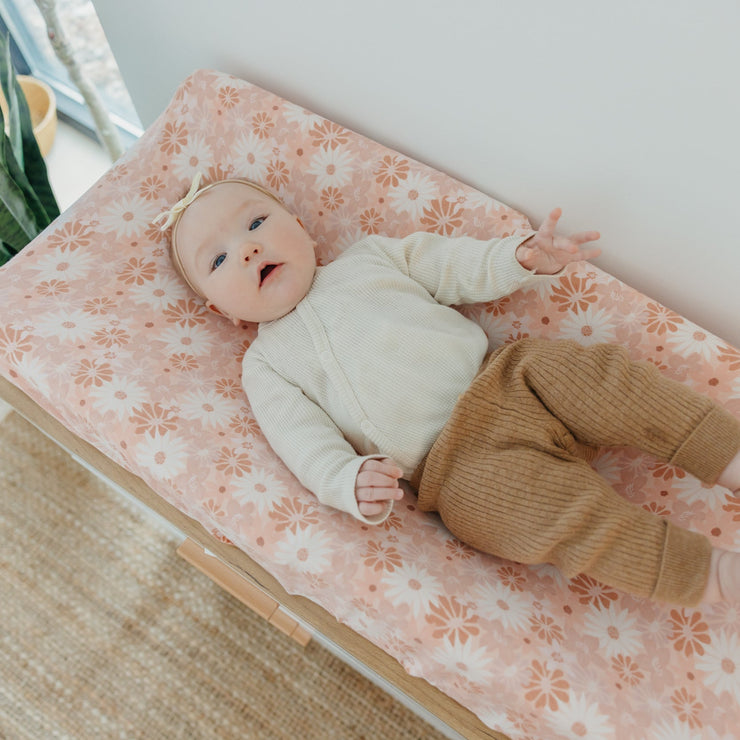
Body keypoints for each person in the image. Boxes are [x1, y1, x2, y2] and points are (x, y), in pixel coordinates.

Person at [155, 175, 740, 607]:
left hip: (510, 375)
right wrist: (345, 479)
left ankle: (728, 453)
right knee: (550, 516)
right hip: (459, 469)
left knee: (608, 380)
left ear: (301, 228)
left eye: (257, 223)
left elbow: (452, 266)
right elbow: (299, 440)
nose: (248, 248)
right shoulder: (266, 365)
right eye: (220, 258)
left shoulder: (370, 258)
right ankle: (707, 575)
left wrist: (520, 258)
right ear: (223, 312)